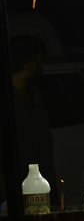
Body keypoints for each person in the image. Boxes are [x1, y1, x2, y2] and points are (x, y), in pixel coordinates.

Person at [1, 34, 60, 210]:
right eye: (40, 61)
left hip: (44, 184)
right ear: (30, 65)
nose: (43, 67)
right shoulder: (6, 100)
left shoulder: (35, 95)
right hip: (18, 189)